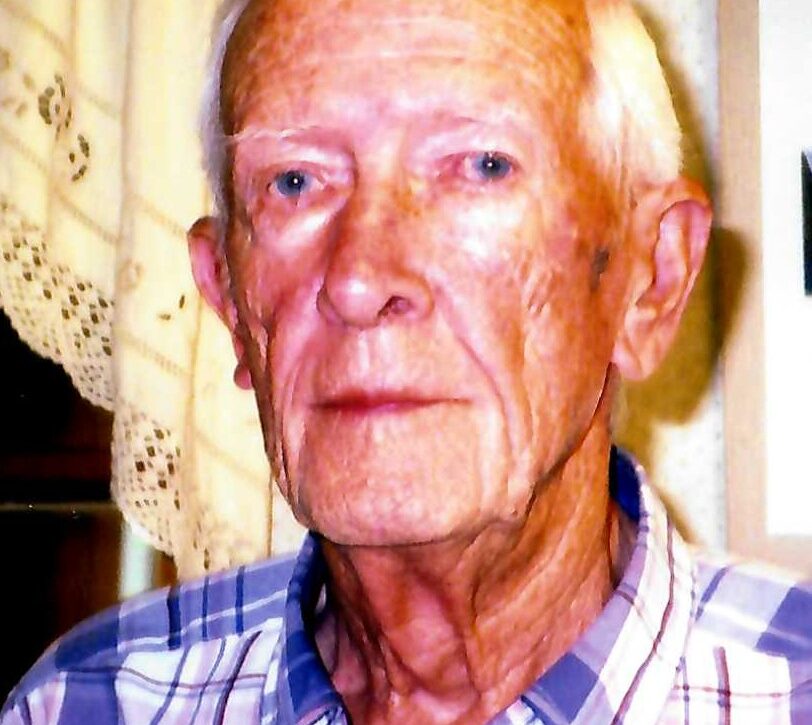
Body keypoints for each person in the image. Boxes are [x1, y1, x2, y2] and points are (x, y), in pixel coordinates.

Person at [4, 0, 812, 722]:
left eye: (481, 166)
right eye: (295, 181)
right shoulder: (85, 705)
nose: (360, 280)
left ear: (650, 278)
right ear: (231, 301)